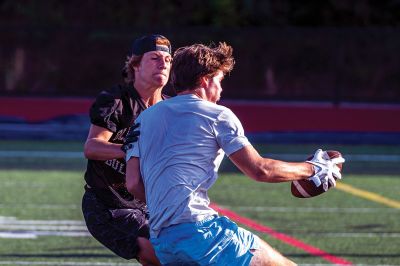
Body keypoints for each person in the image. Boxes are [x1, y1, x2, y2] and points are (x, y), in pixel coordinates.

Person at [124, 42, 345, 265]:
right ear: (205, 80)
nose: (220, 90)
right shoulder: (217, 114)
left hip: (162, 241)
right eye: (219, 81)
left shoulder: (144, 119)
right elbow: (260, 170)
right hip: (203, 234)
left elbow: (133, 183)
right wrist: (314, 169)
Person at [82, 34, 173, 266]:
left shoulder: (172, 108)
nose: (163, 64)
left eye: (168, 59)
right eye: (154, 58)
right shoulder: (116, 100)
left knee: (184, 253)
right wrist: (130, 149)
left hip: (150, 205)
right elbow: (92, 147)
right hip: (108, 205)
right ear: (135, 64)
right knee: (158, 255)